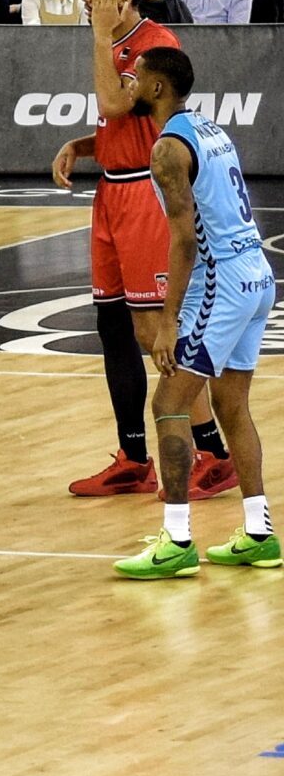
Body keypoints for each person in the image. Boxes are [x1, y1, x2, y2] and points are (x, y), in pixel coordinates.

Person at [54, 0, 233, 500]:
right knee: (114, 327)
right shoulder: (115, 40)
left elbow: (115, 101)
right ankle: (133, 457)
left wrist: (99, 34)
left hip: (145, 193)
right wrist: (85, 145)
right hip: (111, 189)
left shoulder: (155, 41)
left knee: (156, 332)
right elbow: (115, 120)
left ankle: (214, 453)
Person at [114, 47, 279, 578]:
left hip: (224, 279)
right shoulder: (207, 126)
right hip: (258, 274)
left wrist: (168, 322)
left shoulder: (167, 148)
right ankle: (259, 532)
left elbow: (184, 240)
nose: (130, 82)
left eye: (137, 77)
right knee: (232, 404)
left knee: (168, 403)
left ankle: (177, 541)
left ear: (159, 88)